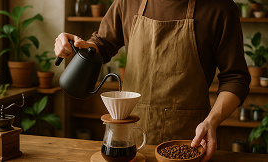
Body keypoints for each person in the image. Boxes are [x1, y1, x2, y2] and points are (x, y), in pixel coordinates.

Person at [54, 0, 251, 161]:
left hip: (189, 142)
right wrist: (77, 46)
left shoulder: (221, 8)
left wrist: (212, 121)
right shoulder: (128, 2)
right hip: (130, 139)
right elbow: (102, 45)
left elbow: (236, 78)